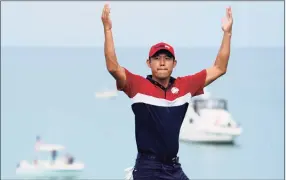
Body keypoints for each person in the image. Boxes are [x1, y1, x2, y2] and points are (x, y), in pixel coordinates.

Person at [101, 4, 233, 180]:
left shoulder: (186, 85)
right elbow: (112, 67)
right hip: (147, 167)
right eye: (157, 58)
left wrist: (227, 33)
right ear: (149, 63)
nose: (162, 62)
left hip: (173, 167)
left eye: (167, 58)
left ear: (174, 63)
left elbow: (219, 68)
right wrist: (107, 29)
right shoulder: (137, 85)